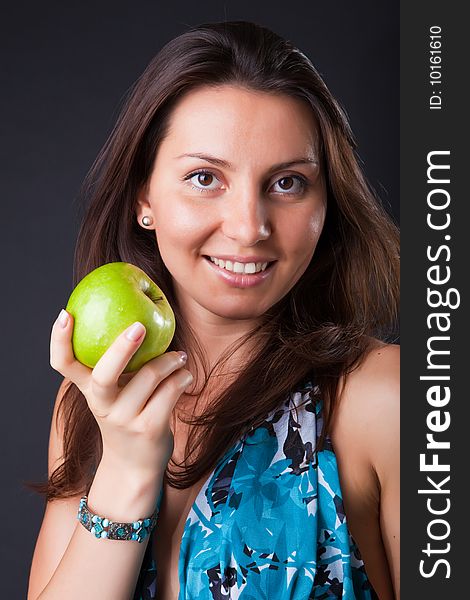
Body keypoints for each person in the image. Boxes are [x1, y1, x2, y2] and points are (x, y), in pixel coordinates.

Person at [27, 20, 399, 600]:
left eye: (288, 183)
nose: (249, 227)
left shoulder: (385, 399)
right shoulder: (95, 399)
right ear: (144, 199)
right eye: (205, 178)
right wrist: (126, 469)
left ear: (328, 202)